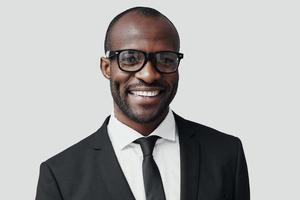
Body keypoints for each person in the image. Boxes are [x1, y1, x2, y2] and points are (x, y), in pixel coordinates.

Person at [35, 6, 250, 200]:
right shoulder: (60, 176)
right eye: (130, 58)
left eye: (165, 59)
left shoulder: (226, 154)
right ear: (106, 68)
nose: (149, 74)